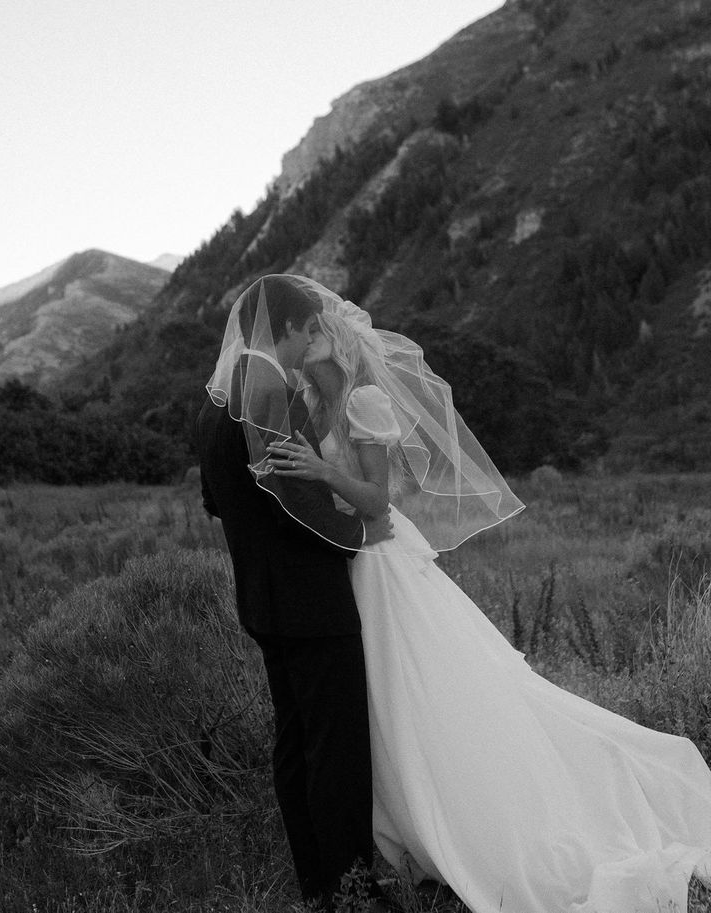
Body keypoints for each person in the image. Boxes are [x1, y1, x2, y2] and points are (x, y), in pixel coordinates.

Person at [251, 275, 711, 913]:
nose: (301, 343)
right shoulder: (310, 404)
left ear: (332, 338)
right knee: (380, 705)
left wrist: (325, 471)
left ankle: (472, 824)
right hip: (351, 563)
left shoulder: (363, 403)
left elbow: (380, 501)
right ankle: (397, 834)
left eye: (312, 331)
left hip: (384, 561)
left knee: (427, 694)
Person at [197, 275, 394, 911]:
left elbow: (214, 502)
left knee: (294, 742)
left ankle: (316, 883)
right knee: (335, 747)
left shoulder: (215, 398)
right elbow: (297, 503)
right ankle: (350, 887)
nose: (313, 337)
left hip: (261, 598)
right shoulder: (266, 392)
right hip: (311, 601)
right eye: (308, 328)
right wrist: (359, 535)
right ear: (283, 328)